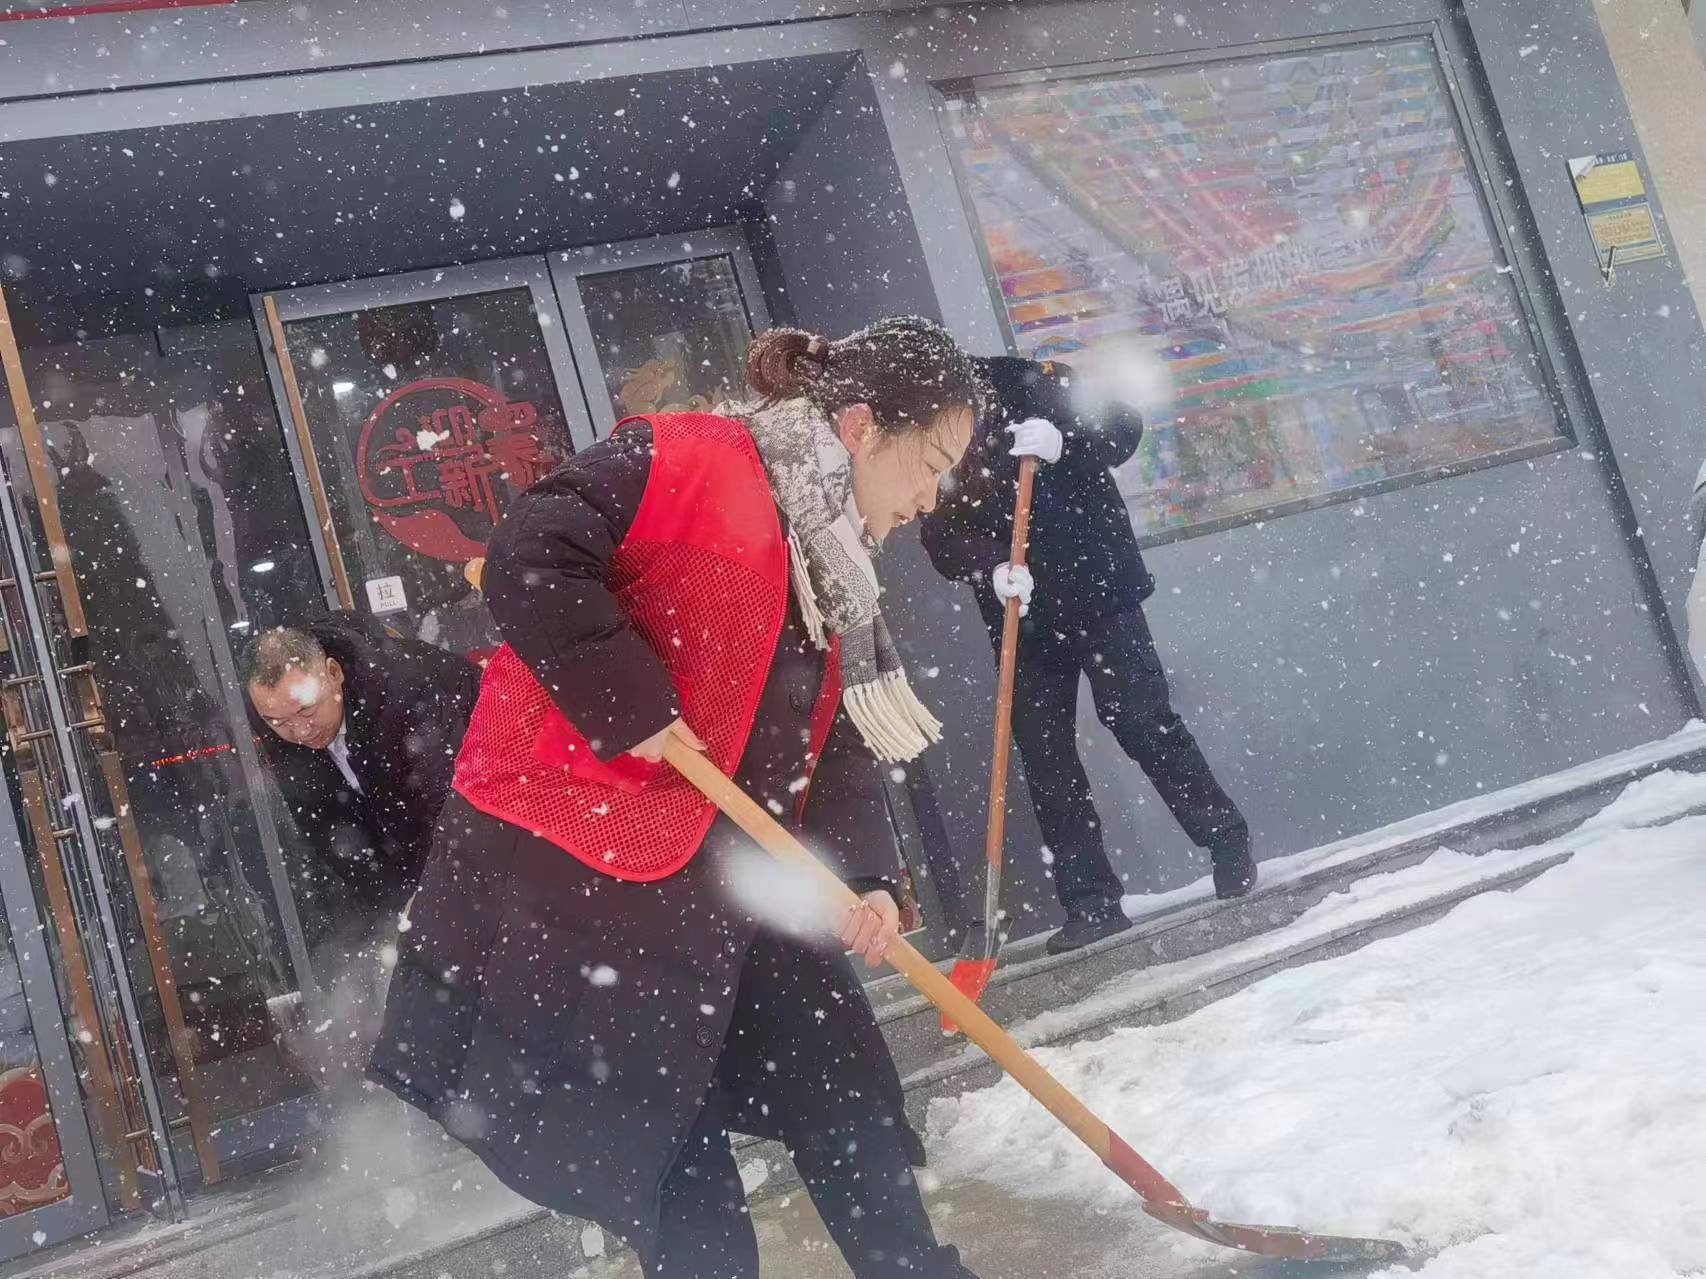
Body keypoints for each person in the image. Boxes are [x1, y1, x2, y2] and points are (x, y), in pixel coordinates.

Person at [369, 318, 983, 1279]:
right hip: (595, 873)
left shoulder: (833, 558)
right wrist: (630, 702)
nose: (930, 498)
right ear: (863, 426)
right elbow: (531, 549)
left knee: (843, 1089)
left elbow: (824, 730)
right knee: (671, 1161)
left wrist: (866, 875)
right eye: (932, 464)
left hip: (737, 868)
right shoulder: (687, 458)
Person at [921, 354, 1256, 955]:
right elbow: (940, 535)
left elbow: (1123, 426)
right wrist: (990, 567)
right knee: (1045, 758)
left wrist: (1065, 439)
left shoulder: (1030, 382)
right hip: (1022, 616)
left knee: (1141, 722)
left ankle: (1227, 839)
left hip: (1100, 592)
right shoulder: (931, 435)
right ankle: (1091, 902)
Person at [244, 613, 482, 945]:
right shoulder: (282, 724)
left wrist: (428, 900)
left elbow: (453, 816)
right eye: (277, 722)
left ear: (334, 673)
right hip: (430, 848)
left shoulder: (404, 692)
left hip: (504, 802)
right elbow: (332, 834)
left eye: (306, 710)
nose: (300, 731)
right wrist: (393, 908)